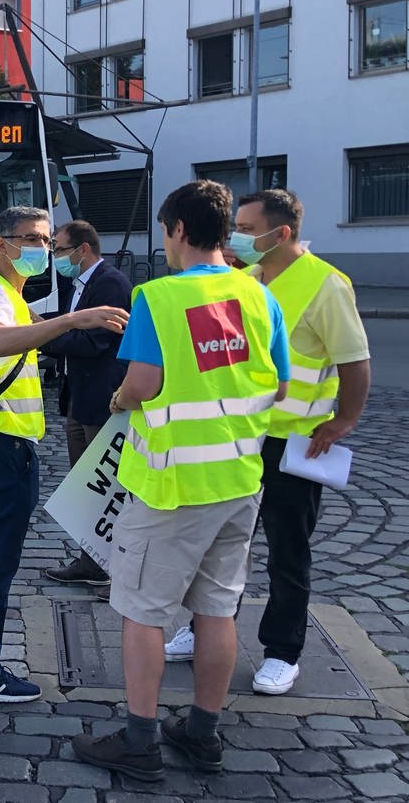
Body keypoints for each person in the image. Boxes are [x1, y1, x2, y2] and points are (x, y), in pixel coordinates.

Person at [72, 180, 289, 782]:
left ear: (180, 230)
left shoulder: (158, 298)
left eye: (166, 232)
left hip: (170, 486)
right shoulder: (258, 294)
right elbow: (281, 385)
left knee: (142, 611)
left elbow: (142, 382)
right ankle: (201, 732)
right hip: (240, 481)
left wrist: (118, 397)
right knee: (218, 611)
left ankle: (139, 742)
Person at [163, 190, 372, 695]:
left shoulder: (326, 284)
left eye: (246, 227)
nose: (236, 235)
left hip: (294, 441)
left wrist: (344, 420)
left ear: (280, 233)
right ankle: (204, 627)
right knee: (221, 543)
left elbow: (355, 361)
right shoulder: (247, 279)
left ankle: (283, 651)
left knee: (287, 550)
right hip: (239, 436)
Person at [0, 205, 129, 703]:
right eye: (33, 239)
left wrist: (67, 321)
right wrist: (74, 319)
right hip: (1, 444)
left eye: (46, 239)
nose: (43, 249)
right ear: (2, 244)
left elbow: (27, 331)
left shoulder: (9, 293)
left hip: (2, 442)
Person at [42, 220, 133, 591]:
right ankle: (90, 559)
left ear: (83, 249)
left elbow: (93, 343)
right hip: (80, 397)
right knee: (84, 483)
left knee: (101, 484)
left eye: (60, 249)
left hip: (102, 399)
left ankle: (103, 562)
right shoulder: (78, 282)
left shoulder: (109, 283)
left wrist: (42, 335)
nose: (56, 257)